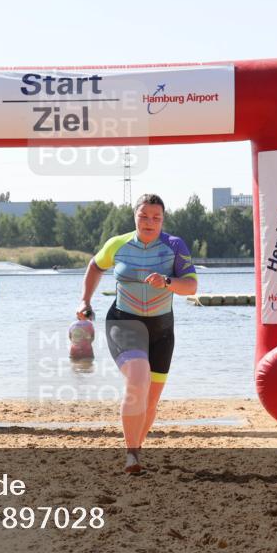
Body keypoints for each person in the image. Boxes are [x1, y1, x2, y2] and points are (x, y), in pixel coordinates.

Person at [77, 194, 198, 474]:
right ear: (135, 217)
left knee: (152, 400)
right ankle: (131, 454)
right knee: (138, 379)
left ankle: (137, 448)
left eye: (156, 217)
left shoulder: (174, 246)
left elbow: (190, 286)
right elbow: (95, 266)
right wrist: (85, 301)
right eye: (144, 216)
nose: (149, 222)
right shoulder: (117, 244)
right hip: (124, 321)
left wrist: (167, 281)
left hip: (161, 329)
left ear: (163, 220)